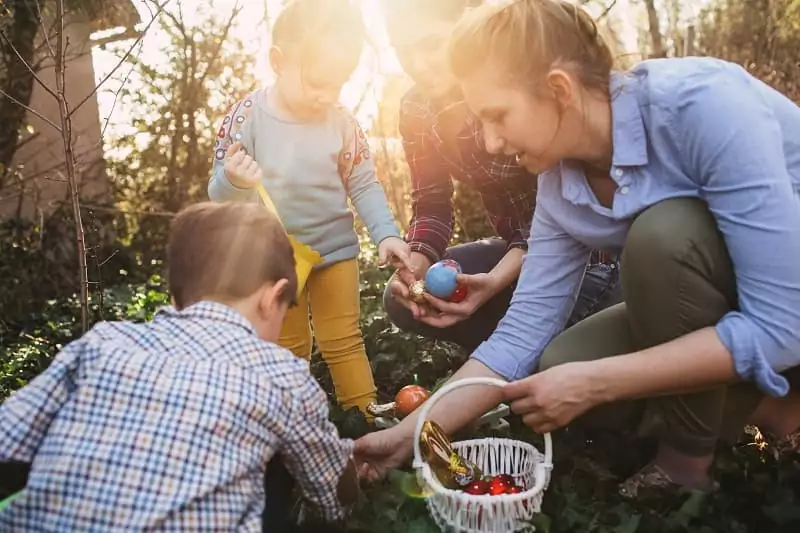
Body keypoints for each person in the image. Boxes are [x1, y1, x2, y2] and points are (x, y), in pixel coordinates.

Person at [356, 0, 800, 499]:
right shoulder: (559, 183)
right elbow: (520, 336)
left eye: (497, 116)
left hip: (788, 298)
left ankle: (687, 457)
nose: (490, 141)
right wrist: (406, 437)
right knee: (564, 358)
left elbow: (783, 325)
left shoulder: (702, 105)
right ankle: (775, 406)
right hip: (739, 301)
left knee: (663, 236)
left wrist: (599, 382)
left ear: (559, 89)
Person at [0, 201, 359, 530]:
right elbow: (332, 497)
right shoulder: (282, 374)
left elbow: (7, 443)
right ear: (272, 298)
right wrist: (348, 468)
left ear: (174, 296)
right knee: (277, 459)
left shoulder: (103, 342)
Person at [380, 0, 620, 353]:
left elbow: (558, 212)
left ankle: (537, 347)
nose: (417, 65)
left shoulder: (516, 90)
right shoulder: (417, 109)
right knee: (396, 300)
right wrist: (416, 266)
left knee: (538, 346)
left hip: (581, 255)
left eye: (430, 45)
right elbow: (432, 203)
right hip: (516, 252)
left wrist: (494, 282)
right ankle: (511, 351)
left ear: (466, 26)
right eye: (402, 52)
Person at [209, 0, 411, 415]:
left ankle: (364, 421)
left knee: (344, 340)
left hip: (336, 252)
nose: (327, 95)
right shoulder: (246, 117)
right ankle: (291, 429)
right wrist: (234, 178)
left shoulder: (342, 122)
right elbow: (218, 196)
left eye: (339, 83)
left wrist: (386, 233)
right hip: (277, 261)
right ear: (279, 61)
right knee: (288, 347)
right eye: (318, 81)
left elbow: (364, 183)